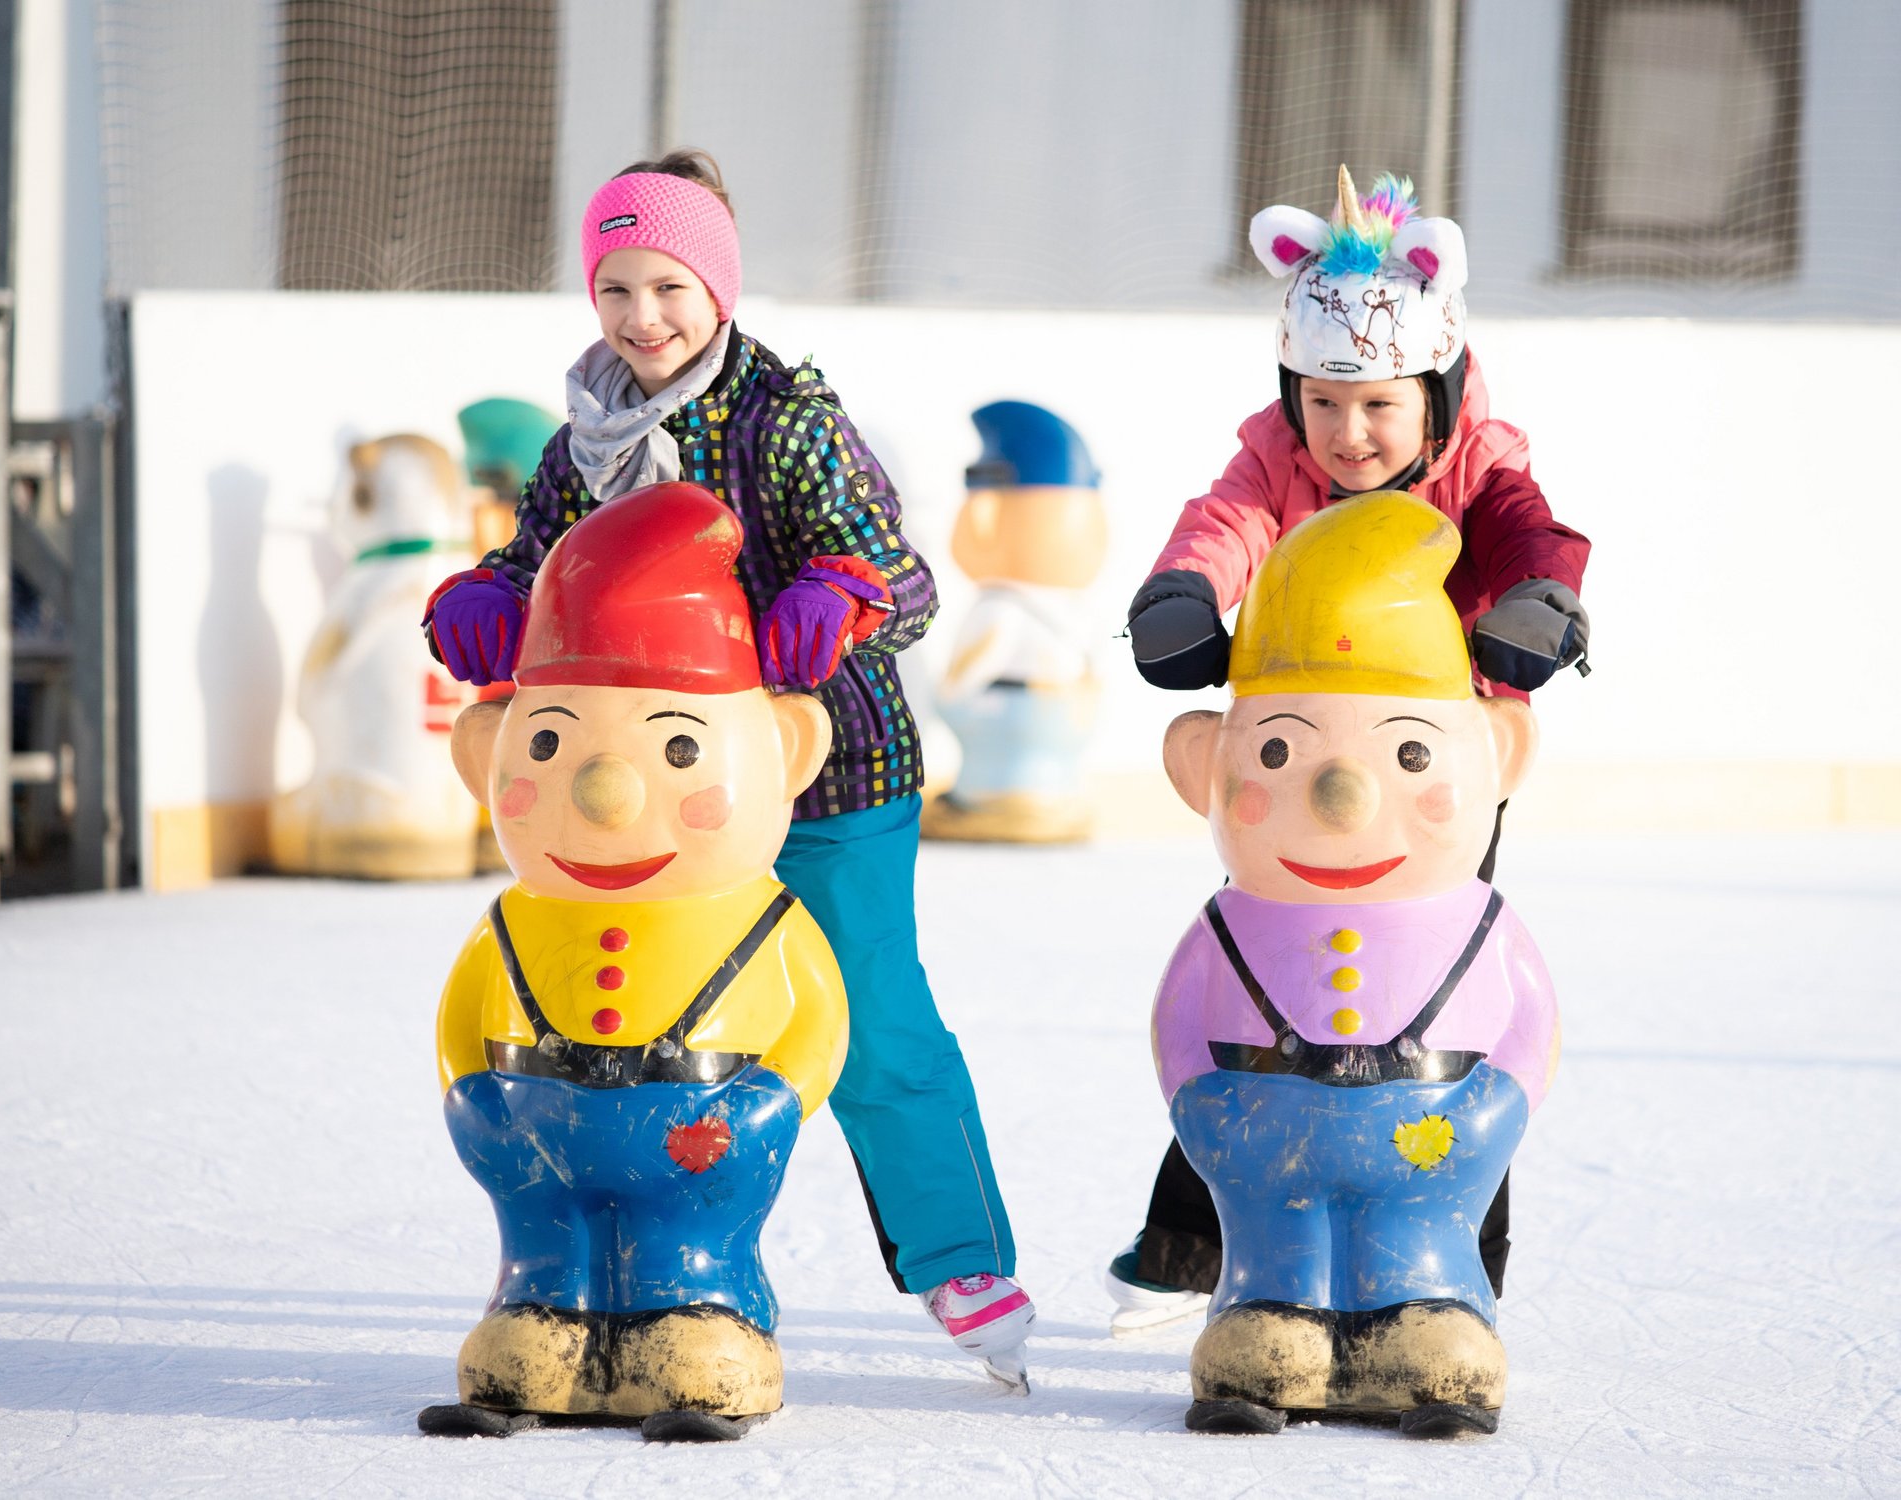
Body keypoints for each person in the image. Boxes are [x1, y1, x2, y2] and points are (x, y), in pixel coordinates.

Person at [422, 149, 1034, 1388]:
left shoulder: (784, 418)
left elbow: (903, 576)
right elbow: (537, 559)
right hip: (647, 804)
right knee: (614, 1036)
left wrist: (839, 595)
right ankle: (593, 1273)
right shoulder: (579, 442)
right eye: (616, 290)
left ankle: (959, 1258)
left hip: (825, 776)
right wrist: (486, 597)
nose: (643, 317)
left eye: (668, 287)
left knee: (861, 1018)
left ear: (718, 288)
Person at [1109, 166, 1590, 1333]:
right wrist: (1181, 593)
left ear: (1433, 391)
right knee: (1259, 987)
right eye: (1321, 403)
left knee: (1443, 1003)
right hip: (1288, 773)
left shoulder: (1478, 464)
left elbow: (1529, 528)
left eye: (1375, 404)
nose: (1346, 432)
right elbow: (1219, 523)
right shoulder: (1276, 458)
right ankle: (1189, 1238)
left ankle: (1462, 1257)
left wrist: (1537, 594)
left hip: (1429, 773)